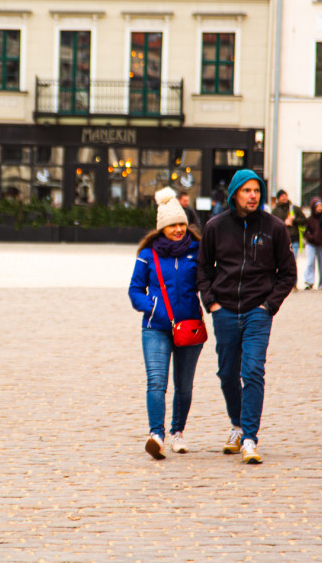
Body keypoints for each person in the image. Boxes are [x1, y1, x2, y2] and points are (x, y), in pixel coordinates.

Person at [197, 169, 296, 464]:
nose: (252, 195)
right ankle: (237, 426)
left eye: (257, 191)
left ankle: (250, 438)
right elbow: (203, 269)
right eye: (246, 190)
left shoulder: (274, 228)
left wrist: (269, 305)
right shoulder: (215, 227)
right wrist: (211, 302)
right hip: (224, 310)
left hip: (257, 311)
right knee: (227, 373)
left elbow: (287, 273)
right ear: (234, 194)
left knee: (252, 370)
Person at [128, 187, 205, 459]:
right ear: (162, 227)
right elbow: (134, 290)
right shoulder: (148, 254)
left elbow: (208, 282)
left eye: (182, 223)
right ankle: (156, 436)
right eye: (173, 225)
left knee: (184, 386)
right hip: (156, 328)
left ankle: (178, 433)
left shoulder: (197, 250)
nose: (179, 229)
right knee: (156, 382)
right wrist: (153, 308)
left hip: (189, 327)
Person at [270, 189, 305, 267]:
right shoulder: (275, 210)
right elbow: (272, 224)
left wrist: (294, 220)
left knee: (293, 260)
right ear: (278, 198)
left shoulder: (294, 208)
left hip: (294, 238)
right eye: (282, 196)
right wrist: (284, 223)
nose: (284, 197)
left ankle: (292, 278)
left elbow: (304, 220)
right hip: (281, 239)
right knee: (282, 260)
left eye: (285, 196)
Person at [302, 198, 322, 290]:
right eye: (317, 206)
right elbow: (305, 231)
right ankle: (309, 281)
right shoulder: (309, 219)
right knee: (310, 262)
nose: (319, 208)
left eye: (321, 206)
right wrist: (311, 237)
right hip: (311, 244)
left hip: (321, 244)